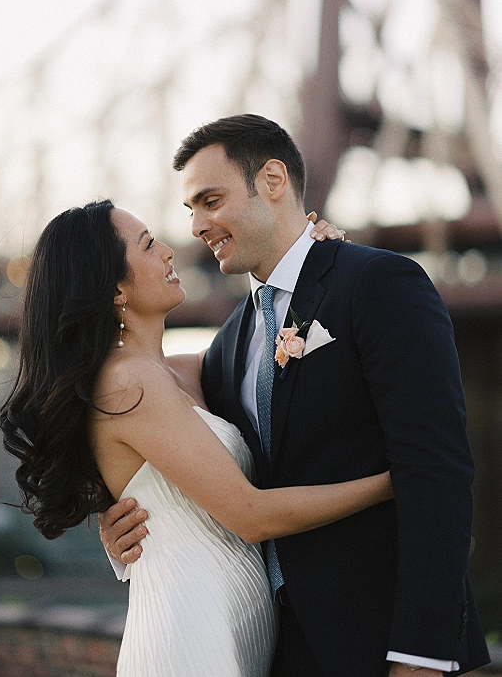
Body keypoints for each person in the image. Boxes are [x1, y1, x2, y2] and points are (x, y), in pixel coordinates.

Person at [100, 114, 490, 677]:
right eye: (191, 210)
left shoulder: (379, 284)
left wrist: (421, 655)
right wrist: (122, 512)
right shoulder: (232, 340)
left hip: (385, 646)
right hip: (272, 647)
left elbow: (439, 472)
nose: (197, 226)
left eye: (211, 200)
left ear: (274, 180)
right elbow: (141, 419)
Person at [0, 198, 393, 677]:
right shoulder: (129, 383)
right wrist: (392, 482)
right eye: (147, 244)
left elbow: (267, 335)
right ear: (115, 289)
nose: (169, 251)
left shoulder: (177, 372)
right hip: (190, 633)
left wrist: (306, 258)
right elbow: (250, 515)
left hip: (229, 624)